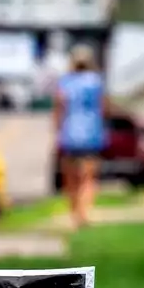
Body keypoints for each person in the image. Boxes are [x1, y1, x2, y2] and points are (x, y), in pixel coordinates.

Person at [53, 44, 109, 229]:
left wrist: (57, 128)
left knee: (70, 177)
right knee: (89, 177)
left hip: (70, 132)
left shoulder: (65, 82)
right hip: (91, 131)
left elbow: (59, 107)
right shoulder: (95, 81)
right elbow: (103, 107)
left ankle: (75, 211)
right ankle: (85, 212)